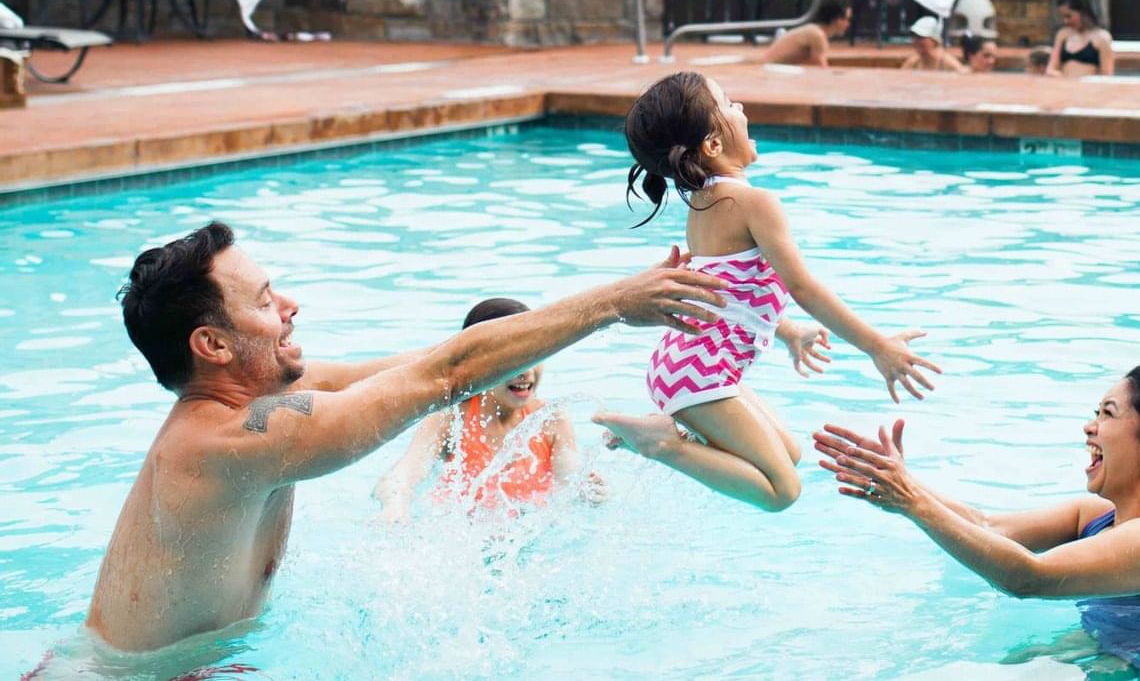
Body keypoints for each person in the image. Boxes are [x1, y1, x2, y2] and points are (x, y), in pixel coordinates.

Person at [83, 222, 727, 654]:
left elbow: (436, 361)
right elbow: (448, 375)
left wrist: (610, 307)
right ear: (213, 345)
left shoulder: (265, 400)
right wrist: (615, 303)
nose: (291, 306)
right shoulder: (228, 440)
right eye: (264, 300)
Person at [594, 71, 939, 512]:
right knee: (782, 491)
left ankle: (669, 429)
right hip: (701, 374)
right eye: (729, 103)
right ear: (713, 145)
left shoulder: (705, 204)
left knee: (788, 454)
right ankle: (664, 444)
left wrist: (790, 332)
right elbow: (802, 286)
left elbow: (730, 297)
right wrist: (876, 346)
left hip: (686, 366)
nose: (741, 109)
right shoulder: (753, 204)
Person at [814, 363, 1140, 670]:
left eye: (1107, 414)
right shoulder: (1101, 515)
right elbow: (988, 528)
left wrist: (913, 500)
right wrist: (900, 483)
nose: (1089, 426)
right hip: (1116, 656)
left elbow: (1028, 578)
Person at [373, 298, 604, 521]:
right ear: (476, 364)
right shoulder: (451, 418)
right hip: (464, 531)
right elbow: (401, 476)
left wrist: (589, 492)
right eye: (512, 358)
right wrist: (396, 503)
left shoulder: (550, 419)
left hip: (529, 531)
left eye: (534, 354)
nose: (525, 372)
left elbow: (569, 481)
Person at [760, 0, 853, 68]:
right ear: (835, 19)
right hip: (771, 70)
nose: (848, 24)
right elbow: (821, 69)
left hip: (770, 68)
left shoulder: (813, 31)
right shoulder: (817, 36)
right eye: (846, 19)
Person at [1047, 0, 1115, 77]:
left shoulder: (1102, 38)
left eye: (1069, 16)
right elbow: (1051, 69)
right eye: (1063, 17)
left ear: (1083, 12)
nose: (1065, 21)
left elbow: (1107, 74)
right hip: (1064, 86)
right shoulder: (1062, 35)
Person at [900, 16, 966, 73]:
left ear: (934, 40)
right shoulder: (913, 63)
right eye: (914, 36)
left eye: (921, 37)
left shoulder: (949, 63)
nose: (915, 41)